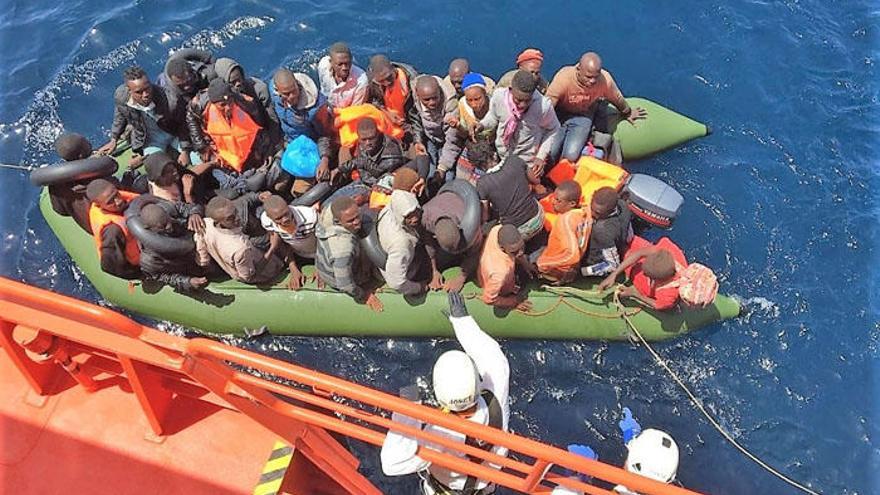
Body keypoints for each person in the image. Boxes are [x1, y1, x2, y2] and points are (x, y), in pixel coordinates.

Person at [381, 291, 510, 495]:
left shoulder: (441, 433)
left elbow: (392, 464)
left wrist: (407, 412)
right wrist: (462, 320)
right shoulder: (496, 398)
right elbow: (494, 357)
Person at [187, 78, 282, 196]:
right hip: (223, 158)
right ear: (213, 103)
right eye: (222, 105)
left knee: (262, 180)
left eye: (230, 102)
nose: (228, 108)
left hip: (250, 153)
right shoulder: (199, 104)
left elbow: (260, 127)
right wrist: (200, 145)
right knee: (231, 189)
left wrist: (266, 151)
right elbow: (190, 116)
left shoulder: (246, 102)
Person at [547, 52, 647, 163]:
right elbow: (548, 106)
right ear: (578, 69)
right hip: (558, 115)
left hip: (582, 116)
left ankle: (562, 174)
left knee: (570, 156)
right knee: (551, 152)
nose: (592, 81)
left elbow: (616, 97)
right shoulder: (564, 77)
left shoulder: (605, 80)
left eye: (596, 77)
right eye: (588, 77)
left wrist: (627, 112)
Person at [98, 66, 190, 168]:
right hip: (151, 141)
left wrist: (185, 150)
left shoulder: (170, 99)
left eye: (147, 88)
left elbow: (184, 123)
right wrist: (114, 139)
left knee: (198, 159)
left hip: (174, 133)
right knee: (157, 169)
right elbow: (120, 115)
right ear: (129, 91)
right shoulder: (121, 97)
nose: (145, 94)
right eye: (139, 92)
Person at [476, 70, 560, 178]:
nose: (522, 105)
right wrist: (481, 125)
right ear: (511, 90)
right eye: (518, 100)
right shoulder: (499, 97)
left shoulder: (543, 107)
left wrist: (541, 156)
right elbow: (493, 116)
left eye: (527, 100)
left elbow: (553, 129)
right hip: (503, 154)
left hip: (526, 161)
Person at [315, 196, 384, 311]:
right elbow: (345, 285)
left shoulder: (328, 211)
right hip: (338, 276)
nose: (357, 222)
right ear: (338, 221)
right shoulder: (343, 249)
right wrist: (364, 295)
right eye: (350, 221)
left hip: (326, 261)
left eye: (357, 216)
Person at [202, 195, 283, 284]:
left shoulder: (206, 224)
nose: (237, 217)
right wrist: (273, 248)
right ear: (218, 221)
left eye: (236, 211)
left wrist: (205, 261)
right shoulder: (241, 249)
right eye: (230, 218)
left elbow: (200, 244)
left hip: (241, 260)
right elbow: (249, 277)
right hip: (266, 271)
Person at [271, 69, 333, 182]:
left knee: (300, 190)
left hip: (310, 149)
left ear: (297, 84)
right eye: (286, 94)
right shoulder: (274, 95)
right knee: (274, 180)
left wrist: (324, 160)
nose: (291, 97)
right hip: (288, 142)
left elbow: (325, 135)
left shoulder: (316, 108)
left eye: (293, 91)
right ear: (277, 90)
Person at [420, 183, 482, 292]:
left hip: (463, 197)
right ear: (435, 236)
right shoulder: (425, 218)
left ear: (459, 228)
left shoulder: (469, 223)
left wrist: (461, 278)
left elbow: (477, 251)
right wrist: (434, 271)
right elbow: (428, 243)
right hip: (444, 197)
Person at [597, 236, 688, 311]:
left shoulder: (669, 295)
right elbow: (640, 254)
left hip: (637, 276)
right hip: (640, 247)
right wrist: (614, 274)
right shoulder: (668, 252)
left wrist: (635, 294)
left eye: (648, 276)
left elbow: (657, 305)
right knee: (622, 242)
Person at [137, 202, 209, 292]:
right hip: (188, 268)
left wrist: (195, 214)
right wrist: (187, 281)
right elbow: (160, 277)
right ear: (149, 229)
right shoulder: (149, 259)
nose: (169, 226)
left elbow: (192, 206)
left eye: (168, 220)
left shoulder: (170, 208)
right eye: (162, 226)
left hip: (199, 246)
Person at [438, 73, 496, 182]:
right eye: (470, 100)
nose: (474, 104)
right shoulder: (463, 106)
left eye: (477, 99)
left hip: (492, 147)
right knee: (462, 178)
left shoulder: (494, 105)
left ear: (485, 93)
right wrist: (458, 126)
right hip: (472, 146)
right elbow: (464, 135)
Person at [477, 155, 544, 241]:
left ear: (478, 165)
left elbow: (485, 217)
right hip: (539, 219)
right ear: (494, 154)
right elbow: (536, 181)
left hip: (518, 232)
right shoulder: (514, 159)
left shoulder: (482, 184)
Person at [536, 181, 591, 284]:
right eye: (553, 197)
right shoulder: (585, 212)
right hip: (572, 265)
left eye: (558, 200)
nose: (553, 202)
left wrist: (544, 263)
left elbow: (572, 255)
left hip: (557, 268)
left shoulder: (565, 221)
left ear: (572, 204)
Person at [260, 194, 318, 290]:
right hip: (297, 255)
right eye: (279, 218)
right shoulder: (266, 221)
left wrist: (321, 267)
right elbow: (282, 244)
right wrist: (293, 269)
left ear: (288, 206)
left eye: (286, 213)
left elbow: (324, 242)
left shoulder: (310, 217)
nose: (285, 219)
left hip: (318, 255)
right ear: (269, 217)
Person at [85, 179, 140, 278]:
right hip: (140, 260)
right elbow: (108, 266)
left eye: (116, 194)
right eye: (110, 202)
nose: (118, 202)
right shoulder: (112, 231)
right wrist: (139, 275)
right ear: (99, 205)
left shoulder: (112, 196)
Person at [377, 190, 428, 296]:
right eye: (409, 216)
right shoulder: (401, 243)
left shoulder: (390, 208)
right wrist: (418, 287)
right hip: (400, 268)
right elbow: (396, 283)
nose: (414, 219)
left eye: (416, 212)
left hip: (391, 251)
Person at [49, 133, 102, 233]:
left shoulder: (56, 184)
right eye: (86, 142)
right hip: (112, 223)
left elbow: (61, 211)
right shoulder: (99, 174)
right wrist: (129, 170)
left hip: (91, 228)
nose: (89, 142)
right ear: (81, 155)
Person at [214, 57, 280, 130]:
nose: (238, 83)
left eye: (239, 78)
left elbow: (273, 120)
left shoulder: (258, 89)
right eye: (233, 82)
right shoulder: (222, 101)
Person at [478, 224, 533, 310]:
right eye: (514, 252)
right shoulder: (500, 273)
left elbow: (518, 253)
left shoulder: (497, 230)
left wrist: (525, 263)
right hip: (499, 285)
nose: (521, 253)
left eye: (522, 246)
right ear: (502, 248)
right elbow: (488, 299)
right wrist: (513, 302)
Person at [367, 54, 420, 143]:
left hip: (408, 123)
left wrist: (418, 141)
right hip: (387, 119)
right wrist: (386, 113)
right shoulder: (373, 80)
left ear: (393, 68)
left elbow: (416, 114)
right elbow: (373, 101)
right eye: (381, 81)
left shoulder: (412, 81)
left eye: (389, 77)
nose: (387, 83)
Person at [581, 187, 632, 277]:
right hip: (613, 241)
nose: (592, 214)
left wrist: (584, 271)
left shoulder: (602, 231)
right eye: (591, 209)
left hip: (594, 260)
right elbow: (629, 235)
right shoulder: (623, 205)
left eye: (597, 213)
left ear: (611, 211)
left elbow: (613, 265)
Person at [411, 74, 457, 174]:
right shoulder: (412, 97)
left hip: (447, 142)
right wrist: (418, 141)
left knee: (448, 175)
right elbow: (415, 120)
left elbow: (453, 139)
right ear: (418, 96)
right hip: (429, 139)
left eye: (435, 98)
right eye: (426, 100)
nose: (432, 103)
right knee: (428, 172)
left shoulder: (450, 105)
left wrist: (442, 168)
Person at [317, 42, 369, 109]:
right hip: (325, 106)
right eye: (340, 64)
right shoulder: (323, 66)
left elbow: (355, 111)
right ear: (331, 62)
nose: (344, 68)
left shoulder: (361, 81)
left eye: (347, 63)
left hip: (346, 113)